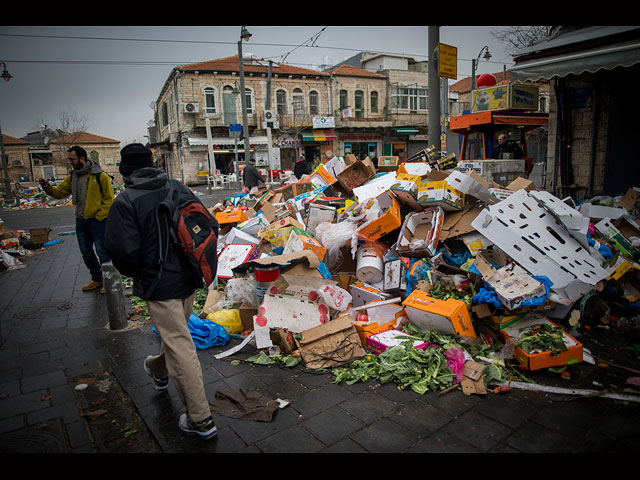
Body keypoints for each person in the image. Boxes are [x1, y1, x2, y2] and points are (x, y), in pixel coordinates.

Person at [104, 143, 218, 440]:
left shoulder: (126, 201)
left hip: (159, 284)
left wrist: (142, 271)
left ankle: (201, 419)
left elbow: (123, 253)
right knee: (177, 336)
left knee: (180, 345)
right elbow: (210, 224)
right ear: (152, 163)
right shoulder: (177, 187)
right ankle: (157, 368)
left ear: (125, 169)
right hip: (190, 277)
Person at [39, 146, 113, 294]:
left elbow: (109, 199)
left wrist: (100, 216)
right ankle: (96, 278)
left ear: (81, 159)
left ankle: (109, 281)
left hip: (98, 220)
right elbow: (60, 193)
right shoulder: (74, 176)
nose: (70, 162)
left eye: (72, 159)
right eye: (69, 159)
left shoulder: (99, 176)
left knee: (102, 251)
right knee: (86, 251)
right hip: (81, 219)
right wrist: (47, 187)